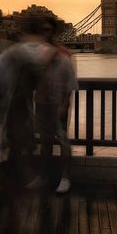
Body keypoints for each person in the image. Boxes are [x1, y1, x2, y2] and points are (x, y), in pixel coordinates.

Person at [0, 15, 56, 187]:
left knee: (18, 143)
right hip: (16, 105)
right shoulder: (20, 53)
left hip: (17, 105)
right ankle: (19, 182)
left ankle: (14, 182)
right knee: (20, 142)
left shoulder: (11, 54)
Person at [34, 17, 77, 194]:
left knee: (63, 141)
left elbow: (71, 83)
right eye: (43, 30)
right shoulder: (38, 53)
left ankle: (66, 177)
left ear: (54, 32)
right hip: (41, 103)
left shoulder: (65, 55)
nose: (46, 34)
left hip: (58, 104)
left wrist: (64, 104)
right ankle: (43, 176)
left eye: (48, 30)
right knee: (45, 142)